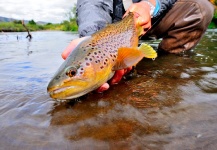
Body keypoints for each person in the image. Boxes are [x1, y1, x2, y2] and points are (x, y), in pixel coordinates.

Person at [61, 0, 214, 92]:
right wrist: (92, 36)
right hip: (111, 26)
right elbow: (92, 4)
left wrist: (149, 5)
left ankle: (170, 67)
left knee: (200, 7)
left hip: (153, 16)